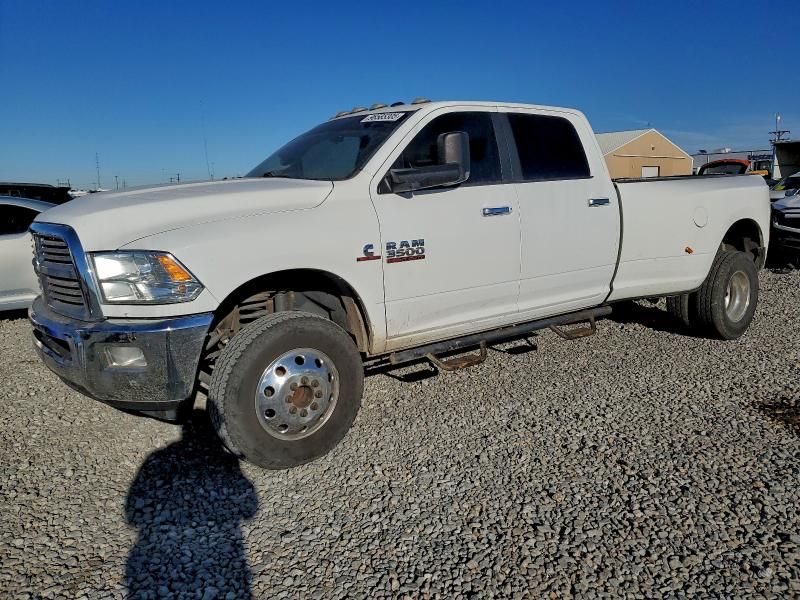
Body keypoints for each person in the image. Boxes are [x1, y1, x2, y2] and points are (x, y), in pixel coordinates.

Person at [125, 411, 258, 598]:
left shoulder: (157, 458)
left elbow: (132, 515)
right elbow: (250, 508)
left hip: (151, 549)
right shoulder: (228, 460)